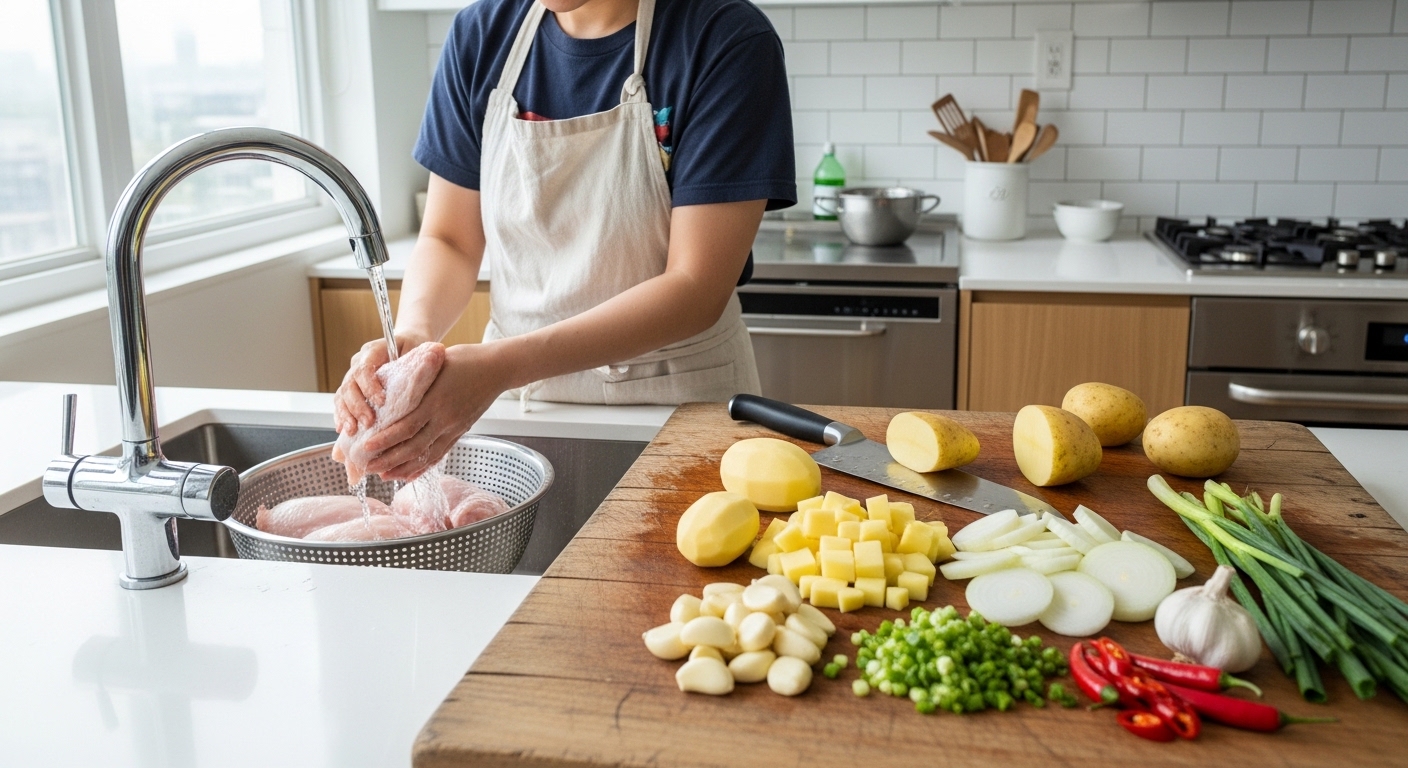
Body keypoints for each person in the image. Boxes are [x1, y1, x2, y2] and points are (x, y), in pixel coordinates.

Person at [332, 0, 794, 481]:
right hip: (515, 408)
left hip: (675, 407)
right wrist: (414, 337)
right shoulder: (482, 34)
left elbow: (696, 287)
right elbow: (450, 238)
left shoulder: (725, 39)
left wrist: (500, 367)